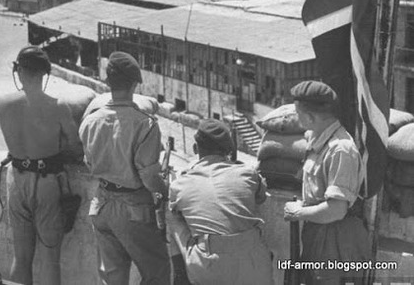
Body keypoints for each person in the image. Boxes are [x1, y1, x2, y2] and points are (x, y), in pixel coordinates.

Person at [79, 51, 170, 285]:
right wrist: (165, 189)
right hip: (133, 208)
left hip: (101, 205)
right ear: (134, 84)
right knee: (157, 273)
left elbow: (88, 163)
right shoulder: (145, 123)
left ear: (108, 82)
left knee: (113, 277)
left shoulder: (90, 120)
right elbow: (149, 176)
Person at [0, 45, 84, 285]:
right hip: (46, 181)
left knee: (22, 257)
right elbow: (76, 147)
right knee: (50, 258)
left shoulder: (3, 103)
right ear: (45, 74)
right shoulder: (58, 107)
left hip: (15, 179)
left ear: (18, 70)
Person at [283, 80, 371, 285]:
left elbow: (336, 210)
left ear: (311, 117)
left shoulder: (340, 150)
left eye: (298, 114)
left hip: (336, 243)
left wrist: (297, 213)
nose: (296, 118)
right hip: (318, 237)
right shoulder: (318, 141)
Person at [167, 119, 273, 285]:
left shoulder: (179, 185)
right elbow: (261, 198)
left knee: (173, 216)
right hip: (253, 260)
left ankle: (179, 277)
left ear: (196, 149)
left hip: (209, 266)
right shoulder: (248, 173)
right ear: (229, 150)